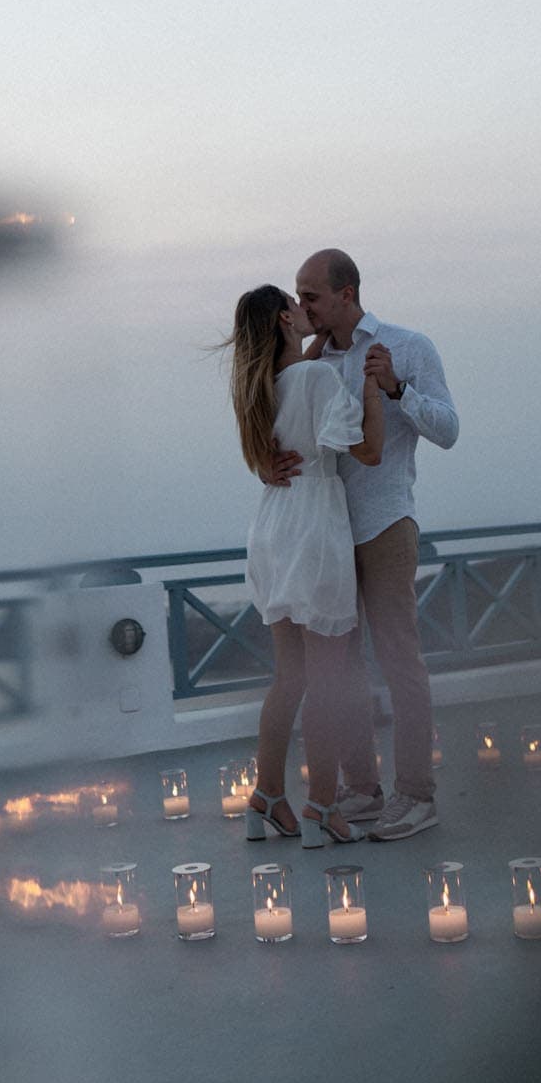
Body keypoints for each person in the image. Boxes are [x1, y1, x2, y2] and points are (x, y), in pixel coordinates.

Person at [265, 249, 458, 841]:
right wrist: (271, 464)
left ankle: (416, 795)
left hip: (384, 524)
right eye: (299, 297)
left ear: (346, 294)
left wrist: (397, 389)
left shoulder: (408, 346)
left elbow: (448, 430)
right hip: (327, 535)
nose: (301, 308)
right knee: (339, 669)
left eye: (311, 296)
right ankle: (361, 789)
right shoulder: (310, 361)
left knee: (400, 660)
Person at [228, 284, 387, 848]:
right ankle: (322, 804)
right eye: (295, 306)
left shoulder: (259, 390)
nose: (304, 310)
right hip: (316, 527)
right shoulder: (318, 379)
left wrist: (308, 344)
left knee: (290, 677)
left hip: (273, 529)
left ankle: (266, 796)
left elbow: (294, 388)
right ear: (282, 320)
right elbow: (367, 450)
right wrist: (368, 386)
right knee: (327, 677)